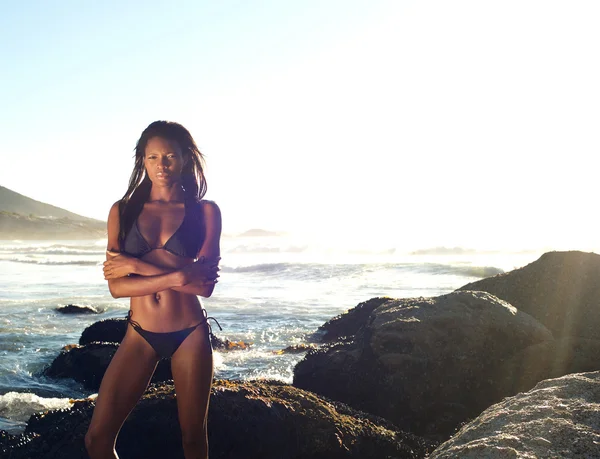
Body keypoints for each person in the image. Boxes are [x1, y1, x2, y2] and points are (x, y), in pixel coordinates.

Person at [85, 120, 222, 459]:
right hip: (138, 334)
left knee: (193, 440)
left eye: (170, 157)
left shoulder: (205, 212)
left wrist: (137, 266)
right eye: (153, 157)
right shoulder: (123, 211)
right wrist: (177, 277)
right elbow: (116, 287)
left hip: (189, 333)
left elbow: (204, 287)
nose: (162, 166)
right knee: (97, 440)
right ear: (142, 160)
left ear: (185, 158)